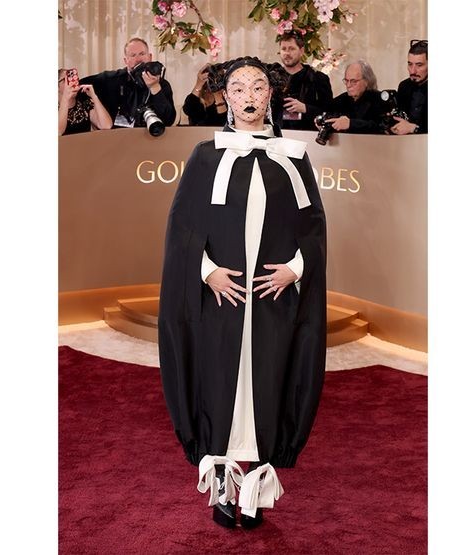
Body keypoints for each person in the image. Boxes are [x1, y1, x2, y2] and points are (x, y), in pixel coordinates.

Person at [158, 56, 327, 531]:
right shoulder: (205, 155)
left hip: (274, 303)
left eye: (257, 86)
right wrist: (207, 270)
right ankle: (224, 489)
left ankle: (256, 488)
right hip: (221, 301)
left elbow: (313, 228)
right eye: (238, 87)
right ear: (226, 96)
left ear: (270, 94)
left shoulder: (294, 156)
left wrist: (294, 270)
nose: (249, 95)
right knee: (221, 387)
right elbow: (183, 228)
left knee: (265, 386)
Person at [79, 37, 177, 129]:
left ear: (150, 57)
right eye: (133, 55)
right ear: (126, 61)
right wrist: (94, 116)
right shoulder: (111, 79)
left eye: (142, 54)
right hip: (116, 140)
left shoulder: (162, 84)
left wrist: (154, 88)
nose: (138, 59)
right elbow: (79, 87)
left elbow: (169, 121)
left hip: (151, 140)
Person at [276, 33, 333, 131]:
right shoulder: (273, 77)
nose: (287, 53)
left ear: (301, 51)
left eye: (291, 49)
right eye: (284, 49)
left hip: (308, 135)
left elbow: (329, 113)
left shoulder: (318, 78)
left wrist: (305, 108)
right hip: (277, 135)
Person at [317, 60, 387, 135]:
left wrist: (351, 124)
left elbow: (382, 127)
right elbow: (326, 112)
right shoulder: (341, 99)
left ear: (367, 81)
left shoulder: (380, 100)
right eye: (346, 81)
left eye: (354, 81)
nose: (348, 85)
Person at [58, 69, 112, 135]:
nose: (71, 83)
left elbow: (106, 125)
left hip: (85, 144)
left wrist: (94, 97)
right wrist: (66, 98)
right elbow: (58, 131)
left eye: (73, 78)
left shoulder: (84, 103)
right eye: (66, 80)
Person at [391, 40, 428, 135]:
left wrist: (413, 128)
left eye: (419, 65)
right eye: (410, 64)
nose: (413, 71)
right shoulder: (404, 86)